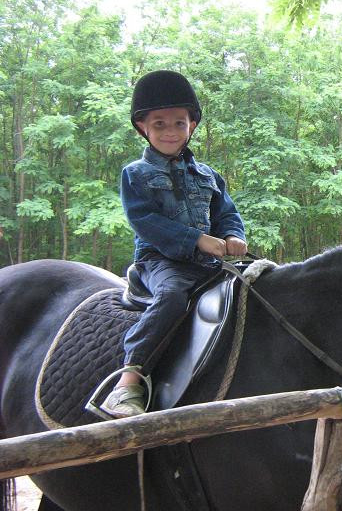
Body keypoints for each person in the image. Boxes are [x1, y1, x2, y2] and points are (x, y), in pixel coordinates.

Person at [101, 70, 247, 418]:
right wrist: (196, 239)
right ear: (144, 128)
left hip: (208, 262)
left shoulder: (209, 175)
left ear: (191, 126)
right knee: (172, 298)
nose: (170, 131)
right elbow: (145, 222)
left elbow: (226, 212)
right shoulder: (135, 174)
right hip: (160, 261)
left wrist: (232, 236)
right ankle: (129, 380)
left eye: (179, 123)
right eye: (160, 123)